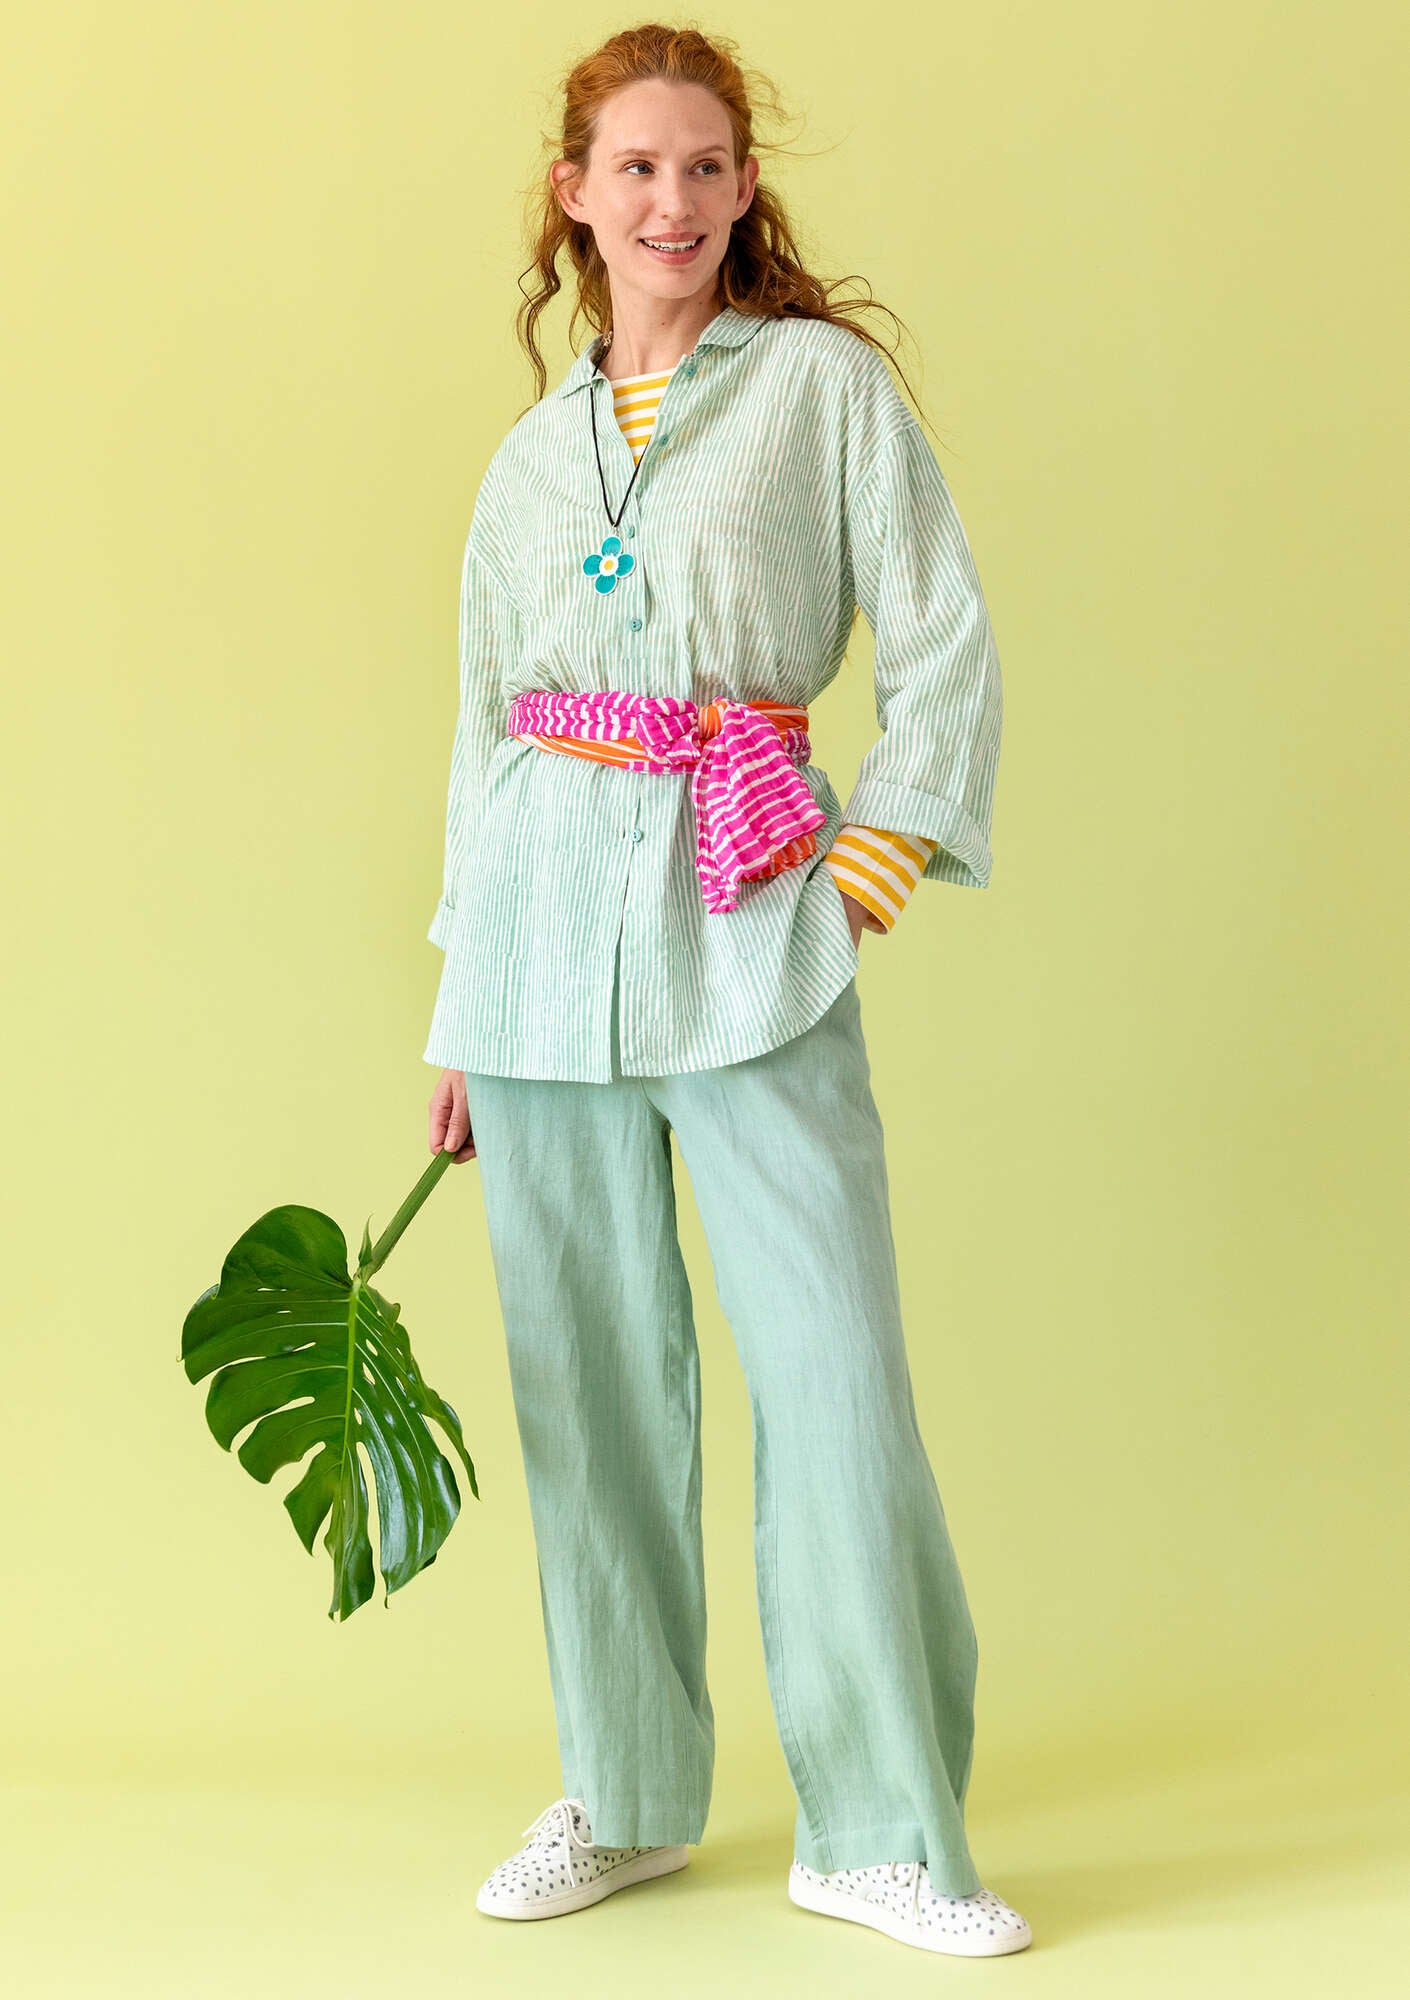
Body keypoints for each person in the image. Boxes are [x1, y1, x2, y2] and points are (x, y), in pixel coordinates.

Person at [424, 22, 1030, 1961]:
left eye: (703, 165)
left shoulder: (822, 393)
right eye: (636, 167)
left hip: (752, 911)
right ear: (575, 196)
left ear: (743, 188)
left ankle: (883, 1828)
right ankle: (624, 1794)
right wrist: (457, 1013)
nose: (670, 200)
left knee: (833, 1377)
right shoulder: (529, 462)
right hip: (536, 952)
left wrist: (877, 857)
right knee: (587, 1386)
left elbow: (939, 633)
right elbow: (485, 732)